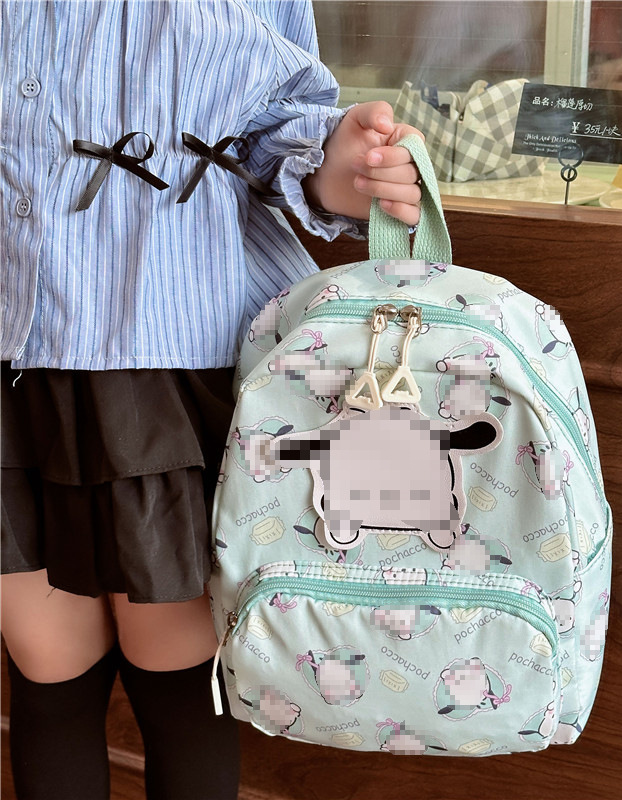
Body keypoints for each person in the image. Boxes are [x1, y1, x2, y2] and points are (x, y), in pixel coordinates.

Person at [0, 2, 423, 798]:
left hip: (168, 348)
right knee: (47, 661)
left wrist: (343, 165)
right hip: (11, 349)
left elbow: (276, 122)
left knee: (177, 664)